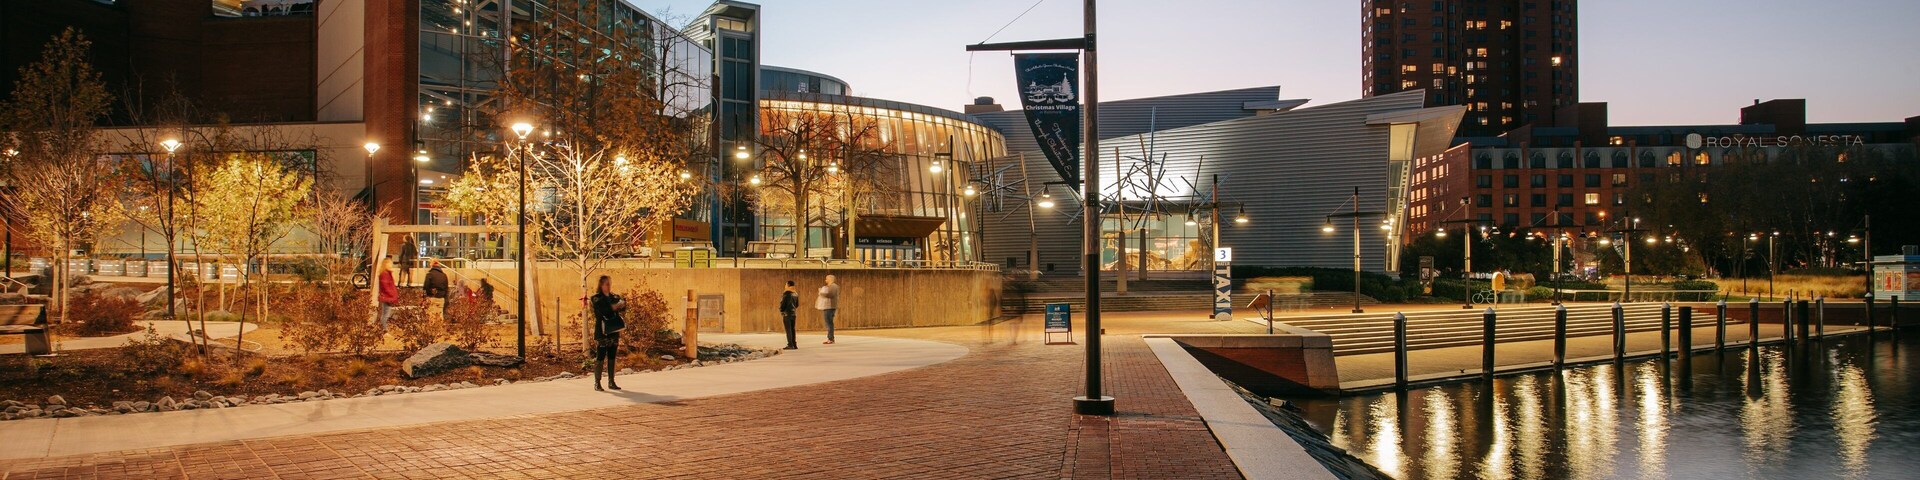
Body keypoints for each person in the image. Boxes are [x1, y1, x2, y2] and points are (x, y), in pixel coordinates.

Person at [589, 275, 628, 391]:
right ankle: (597, 382)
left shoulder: (614, 296)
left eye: (610, 284)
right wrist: (614, 307)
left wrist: (621, 304)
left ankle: (611, 381)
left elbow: (622, 306)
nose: (609, 286)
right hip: (602, 331)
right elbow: (603, 311)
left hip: (613, 330)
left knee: (612, 356)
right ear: (601, 285)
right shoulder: (596, 298)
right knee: (600, 356)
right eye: (606, 284)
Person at [815, 274, 839, 344]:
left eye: (827, 279)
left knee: (829, 323)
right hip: (828, 306)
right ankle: (830, 338)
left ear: (830, 279)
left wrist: (821, 293)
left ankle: (830, 338)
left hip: (830, 307)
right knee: (828, 323)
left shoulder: (833, 286)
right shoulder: (830, 286)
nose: (826, 280)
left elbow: (830, 295)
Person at [376, 257, 399, 328]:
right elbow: (386, 286)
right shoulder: (385, 274)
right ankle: (384, 329)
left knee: (386, 313)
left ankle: (383, 328)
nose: (391, 265)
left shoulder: (386, 273)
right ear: (386, 264)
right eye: (390, 263)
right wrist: (392, 294)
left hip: (387, 296)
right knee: (386, 314)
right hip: (387, 297)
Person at [779, 280, 800, 350]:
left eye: (785, 284)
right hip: (793, 313)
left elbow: (783, 304)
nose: (785, 286)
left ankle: (790, 345)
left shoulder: (786, 293)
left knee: (788, 330)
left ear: (788, 285)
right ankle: (794, 344)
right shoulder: (795, 294)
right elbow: (797, 304)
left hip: (787, 314)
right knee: (792, 329)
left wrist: (781, 310)